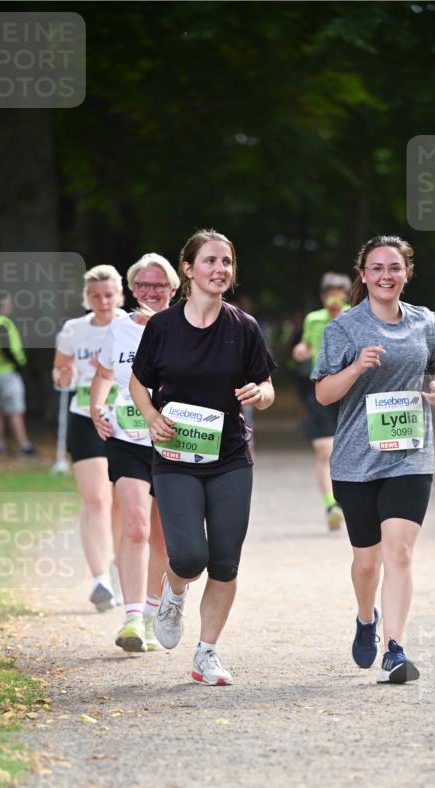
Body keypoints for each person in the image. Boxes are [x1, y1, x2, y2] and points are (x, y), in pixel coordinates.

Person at [130, 229, 276, 686]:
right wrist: (151, 414)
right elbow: (138, 382)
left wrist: (261, 393)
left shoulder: (243, 327)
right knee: (190, 556)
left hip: (230, 455)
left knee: (226, 561)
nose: (220, 270)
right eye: (210, 261)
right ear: (189, 270)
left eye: (227, 262)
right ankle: (174, 591)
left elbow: (266, 387)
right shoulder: (162, 328)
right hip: (175, 456)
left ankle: (206, 653)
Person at [312, 235, 435, 683]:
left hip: (411, 456)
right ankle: (365, 617)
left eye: (394, 267)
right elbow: (322, 392)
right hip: (356, 459)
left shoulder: (424, 321)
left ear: (406, 273)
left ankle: (395, 647)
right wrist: (355, 368)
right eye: (377, 268)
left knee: (400, 552)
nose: (386, 276)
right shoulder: (344, 328)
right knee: (367, 561)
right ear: (364, 275)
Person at [90, 253, 178, 652]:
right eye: (143, 285)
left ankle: (152, 609)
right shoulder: (118, 329)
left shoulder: (188, 326)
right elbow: (105, 374)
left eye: (158, 285)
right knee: (136, 526)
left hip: (174, 441)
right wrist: (96, 406)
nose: (150, 292)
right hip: (127, 439)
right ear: (132, 288)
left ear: (174, 289)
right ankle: (130, 619)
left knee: (162, 536)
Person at [52, 265, 125, 612]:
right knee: (97, 498)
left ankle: (114, 562)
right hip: (85, 417)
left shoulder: (132, 325)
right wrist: (62, 375)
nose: (103, 301)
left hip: (126, 421)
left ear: (120, 295)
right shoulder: (73, 331)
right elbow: (60, 373)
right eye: (96, 296)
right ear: (87, 298)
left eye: (109, 294)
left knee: (120, 500)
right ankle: (100, 581)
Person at [292, 272, 352, 529]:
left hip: (351, 392)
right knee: (324, 450)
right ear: (323, 296)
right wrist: (301, 351)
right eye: (329, 293)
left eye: (339, 293)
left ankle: (352, 501)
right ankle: (331, 505)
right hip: (321, 390)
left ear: (346, 296)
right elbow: (305, 347)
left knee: (349, 451)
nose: (334, 298)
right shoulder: (313, 319)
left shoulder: (356, 316)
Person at [0, 293, 36, 456]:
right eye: (8, 303)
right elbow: (5, 348)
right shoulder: (2, 324)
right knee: (16, 410)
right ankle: (24, 446)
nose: (10, 306)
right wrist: (18, 365)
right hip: (7, 372)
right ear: (2, 305)